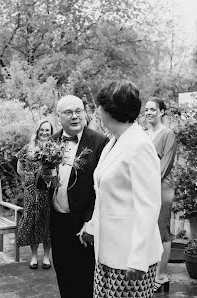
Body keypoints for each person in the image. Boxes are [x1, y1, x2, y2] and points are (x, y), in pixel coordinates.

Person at [83, 81, 163, 298]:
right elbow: (106, 194)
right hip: (106, 251)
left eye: (99, 106)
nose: (97, 110)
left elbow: (149, 205)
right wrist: (92, 226)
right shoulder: (114, 142)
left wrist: (138, 258)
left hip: (129, 259)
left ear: (110, 110)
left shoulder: (140, 145)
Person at [42, 95, 109, 298]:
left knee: (85, 277)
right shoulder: (51, 142)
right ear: (58, 116)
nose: (74, 116)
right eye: (68, 112)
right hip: (57, 220)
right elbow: (43, 183)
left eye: (78, 111)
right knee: (63, 273)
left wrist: (90, 221)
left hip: (83, 224)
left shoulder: (99, 142)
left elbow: (102, 188)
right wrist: (43, 176)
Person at [144, 97, 177, 293]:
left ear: (162, 112)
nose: (148, 113)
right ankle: (150, 273)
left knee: (162, 232)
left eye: (153, 109)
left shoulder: (168, 134)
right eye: (146, 109)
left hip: (162, 188)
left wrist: (147, 182)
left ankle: (161, 276)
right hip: (145, 188)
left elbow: (165, 165)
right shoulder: (144, 134)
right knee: (148, 231)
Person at [16, 119, 54, 270]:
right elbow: (20, 168)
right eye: (42, 130)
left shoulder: (54, 148)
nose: (44, 133)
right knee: (33, 222)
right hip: (32, 191)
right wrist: (29, 178)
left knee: (47, 222)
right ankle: (33, 256)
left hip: (48, 190)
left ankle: (46, 257)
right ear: (37, 131)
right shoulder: (28, 148)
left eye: (47, 131)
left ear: (51, 133)